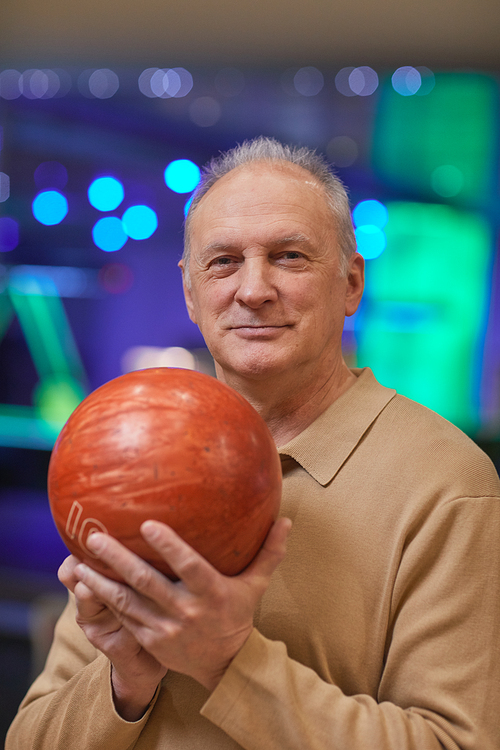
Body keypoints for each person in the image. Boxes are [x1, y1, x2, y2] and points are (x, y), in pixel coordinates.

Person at [6, 137, 500, 750]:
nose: (254, 289)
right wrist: (124, 682)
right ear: (190, 292)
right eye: (223, 262)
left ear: (351, 283)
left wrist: (227, 662)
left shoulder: (450, 486)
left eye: (289, 257)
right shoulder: (132, 459)